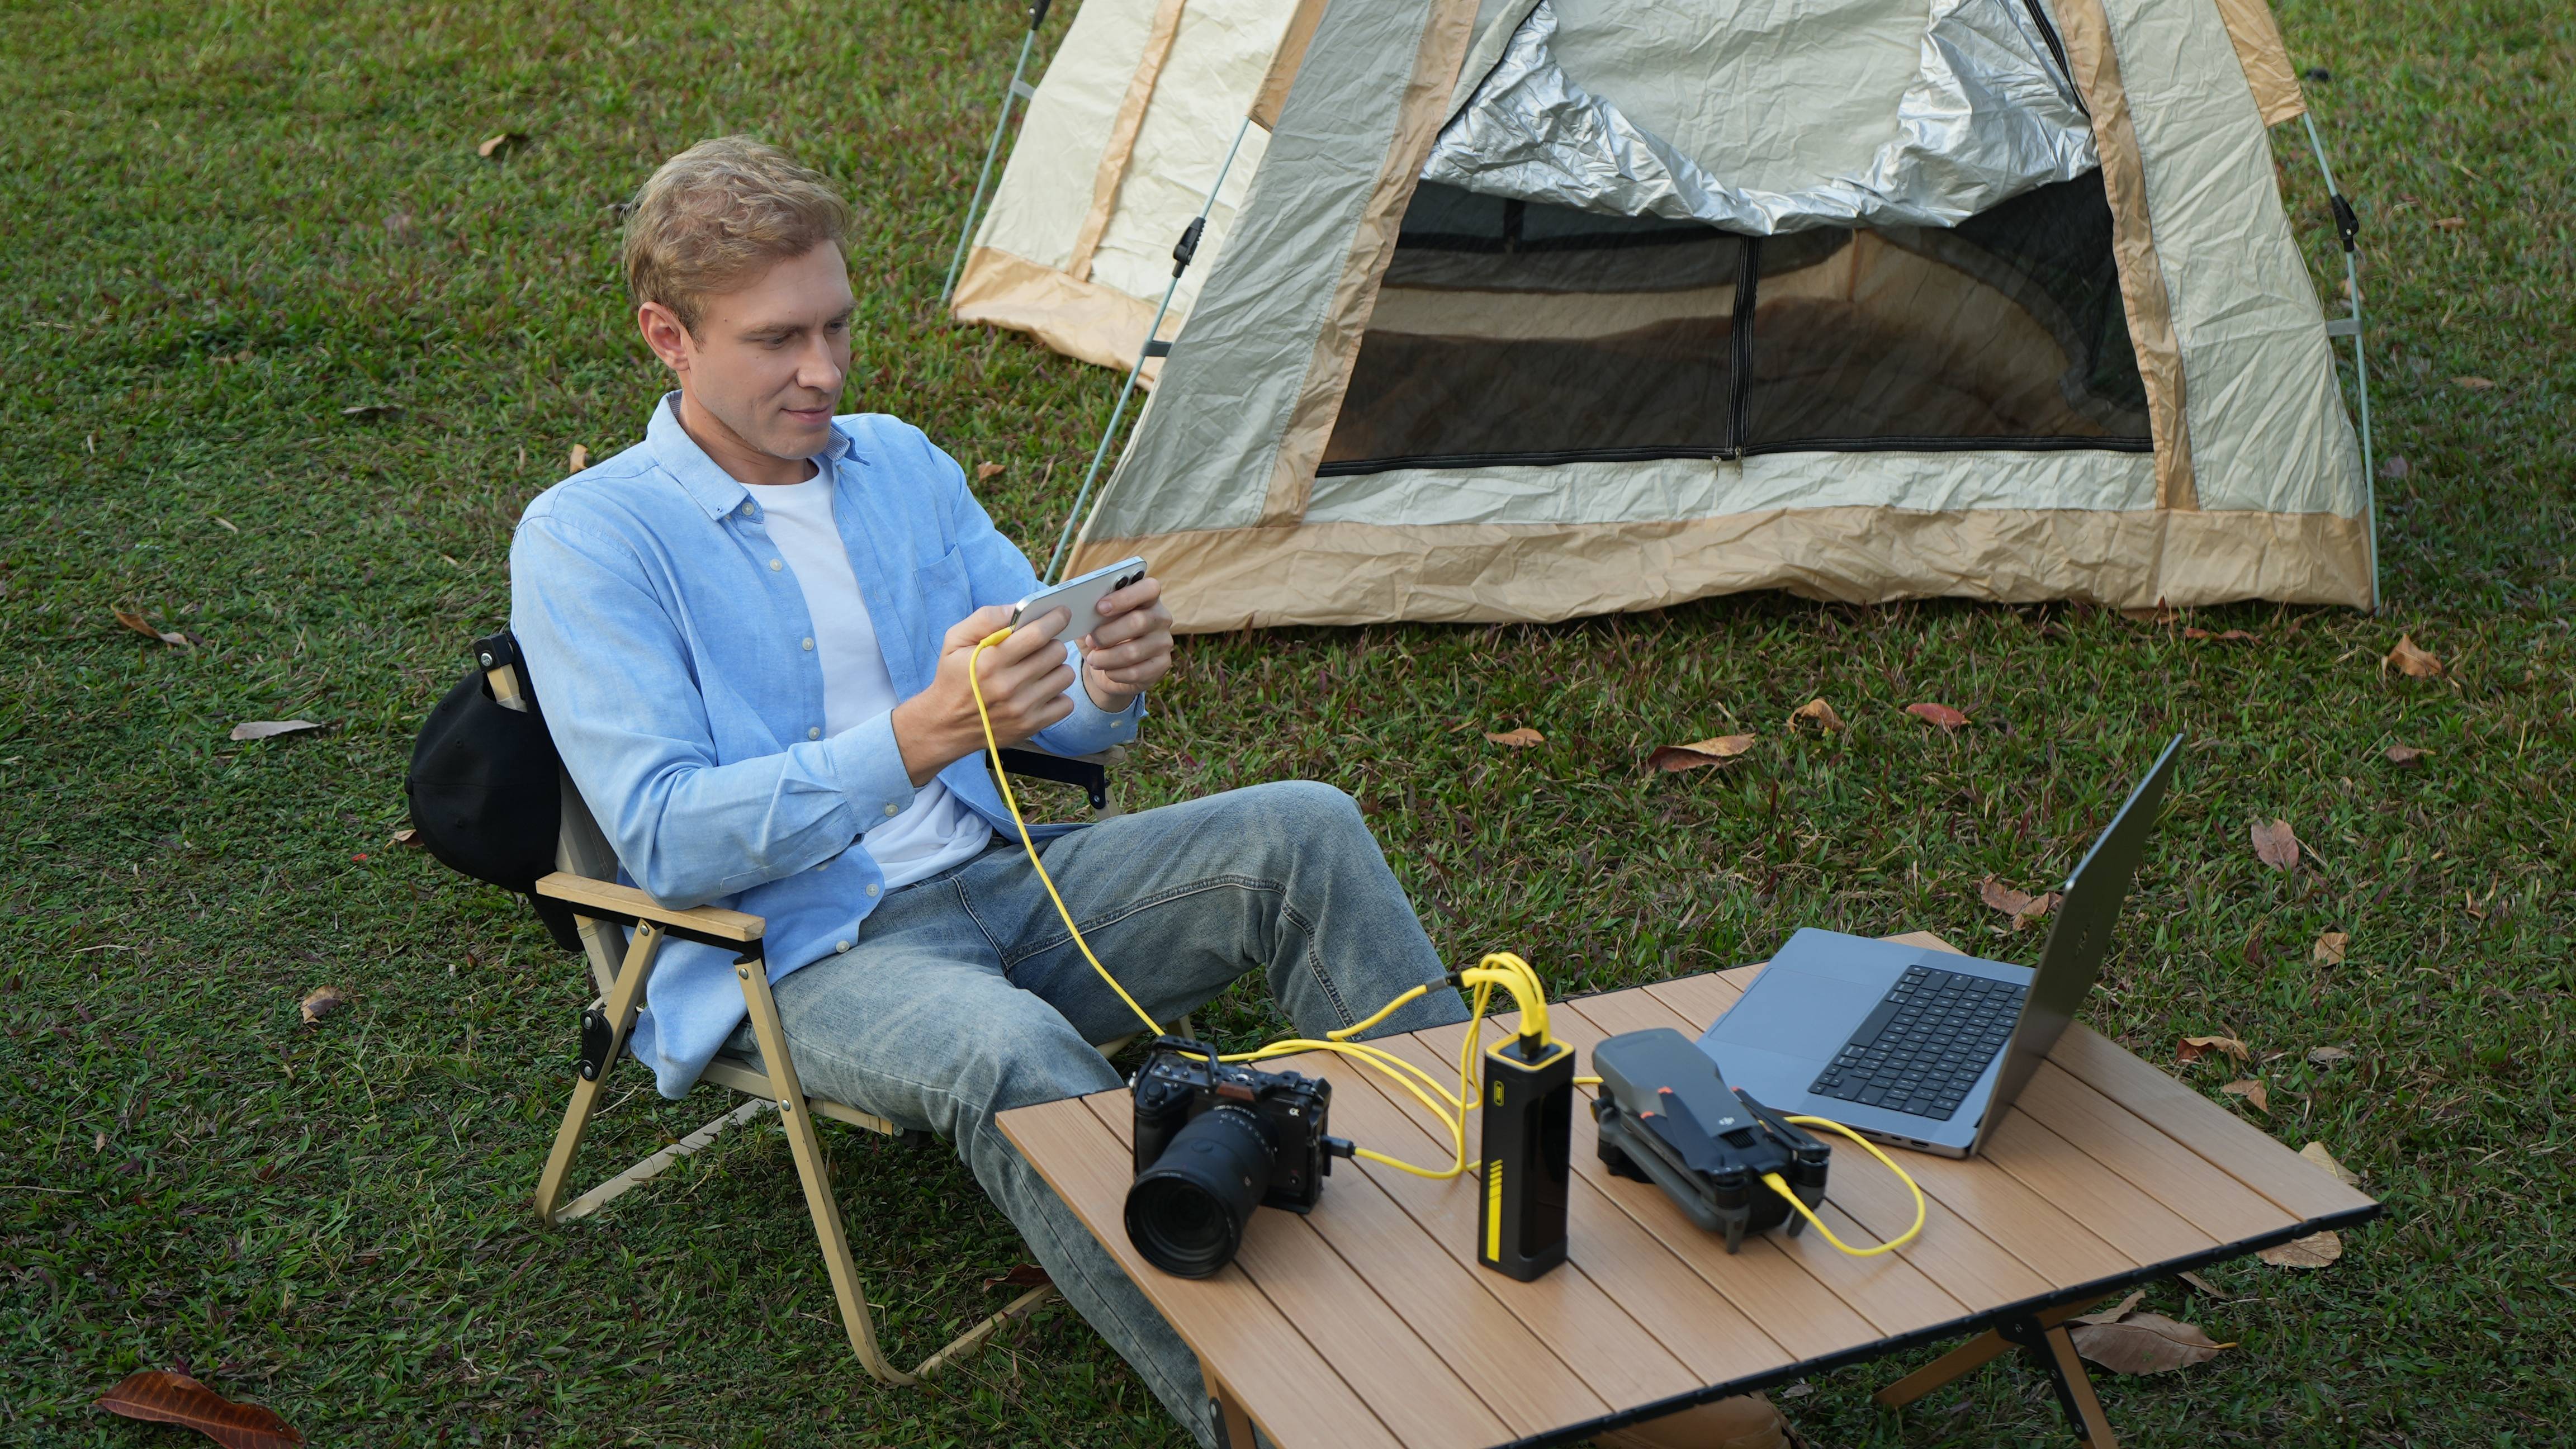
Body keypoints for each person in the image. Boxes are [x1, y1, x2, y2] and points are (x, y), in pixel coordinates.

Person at [510, 135, 1796, 1449]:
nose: (825, 371)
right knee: (1006, 1052)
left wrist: (1106, 675)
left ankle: (1504, 1237)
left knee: (1305, 827)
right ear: (668, 336)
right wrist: (914, 738)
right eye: (778, 340)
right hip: (799, 953)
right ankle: (1289, 1413)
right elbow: (665, 837)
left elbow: (1053, 694)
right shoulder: (590, 540)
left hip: (997, 872)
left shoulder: (895, 463)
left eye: (838, 323)